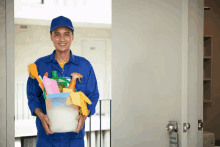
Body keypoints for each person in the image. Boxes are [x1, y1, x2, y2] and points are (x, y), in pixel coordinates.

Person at [26, 16, 99, 147]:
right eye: (57, 34)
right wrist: (41, 116)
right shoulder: (40, 65)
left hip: (75, 138)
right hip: (47, 138)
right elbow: (32, 96)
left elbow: (93, 95)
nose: (62, 39)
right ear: (51, 37)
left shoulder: (84, 66)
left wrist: (84, 115)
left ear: (72, 36)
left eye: (66, 34)